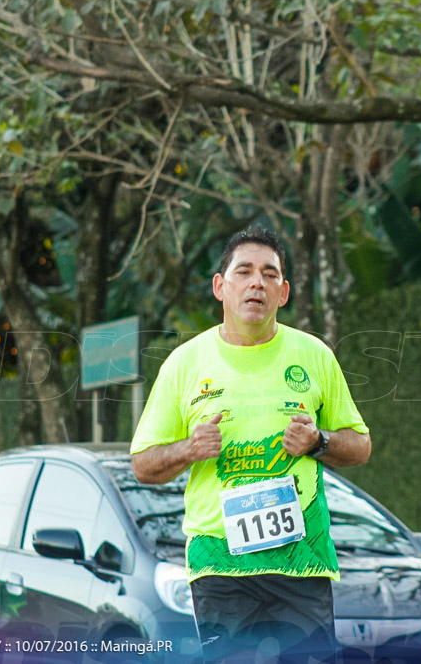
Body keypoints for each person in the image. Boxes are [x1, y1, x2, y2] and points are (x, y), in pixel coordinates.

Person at [130, 226, 371, 661]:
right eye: (244, 272)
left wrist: (318, 442)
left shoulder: (314, 355)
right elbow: (143, 465)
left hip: (301, 559)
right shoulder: (184, 365)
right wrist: (189, 448)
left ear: (284, 292)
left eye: (270, 274)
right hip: (219, 563)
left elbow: (360, 445)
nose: (257, 282)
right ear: (221, 287)